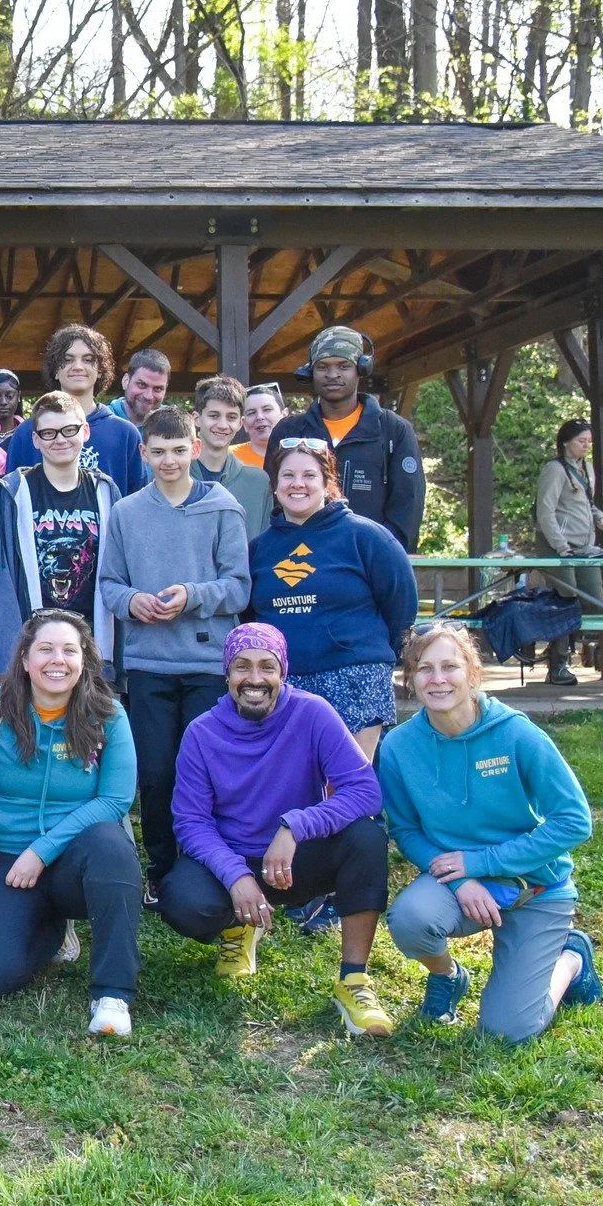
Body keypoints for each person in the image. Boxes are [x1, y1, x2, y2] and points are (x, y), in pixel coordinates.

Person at [159, 624, 395, 1037]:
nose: (255, 679)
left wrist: (296, 825)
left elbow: (364, 791)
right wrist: (235, 876)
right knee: (184, 902)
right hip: (232, 859)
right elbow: (191, 821)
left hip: (296, 860)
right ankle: (239, 926)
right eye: (242, 666)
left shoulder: (313, 713)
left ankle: (354, 980)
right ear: (227, 674)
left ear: (283, 671)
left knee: (367, 837)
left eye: (267, 667)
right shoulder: (201, 732)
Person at [381, 625, 603, 1040]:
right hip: (457, 881)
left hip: (536, 887)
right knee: (411, 920)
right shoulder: (398, 747)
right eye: (424, 669)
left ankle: (572, 960)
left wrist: (482, 862)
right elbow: (406, 829)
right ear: (410, 679)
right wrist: (462, 879)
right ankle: (448, 975)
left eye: (450, 666)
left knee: (506, 1032)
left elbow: (574, 821)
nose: (438, 679)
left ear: (473, 673)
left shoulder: (516, 733)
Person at [0, 611, 142, 1036]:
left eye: (69, 651)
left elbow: (115, 800)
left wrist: (41, 852)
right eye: (45, 649)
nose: (57, 660)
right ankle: (51, 929)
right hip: (7, 857)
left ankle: (112, 994)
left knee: (111, 846)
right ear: (24, 660)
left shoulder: (108, 715)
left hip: (79, 858)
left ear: (84, 661)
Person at [97, 405, 249, 894]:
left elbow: (239, 587)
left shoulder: (223, 507)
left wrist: (192, 595)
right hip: (149, 663)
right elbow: (109, 583)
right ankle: (161, 871)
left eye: (179, 450)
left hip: (207, 662)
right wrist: (132, 601)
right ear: (143, 453)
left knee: (205, 768)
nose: (169, 461)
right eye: (159, 451)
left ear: (196, 449)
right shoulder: (126, 512)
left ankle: (208, 863)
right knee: (157, 771)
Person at [249, 441, 417, 759]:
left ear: (327, 482)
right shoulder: (258, 549)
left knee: (348, 781)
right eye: (288, 475)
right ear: (276, 484)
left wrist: (370, 654)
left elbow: (401, 605)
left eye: (309, 475)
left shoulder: (367, 537)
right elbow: (249, 617)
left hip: (355, 678)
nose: (297, 483)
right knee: (293, 781)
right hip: (284, 684)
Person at [0, 391, 121, 687]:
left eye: (69, 430)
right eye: (48, 433)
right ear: (35, 439)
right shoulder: (12, 494)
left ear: (85, 431)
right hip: (33, 648)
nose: (60, 440)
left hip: (93, 646)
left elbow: (119, 572)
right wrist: (11, 660)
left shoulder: (106, 492)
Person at [268, 326, 426, 551]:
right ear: (310, 371)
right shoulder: (289, 431)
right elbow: (274, 499)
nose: (333, 374)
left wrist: (383, 552)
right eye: (322, 367)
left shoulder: (393, 430)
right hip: (303, 557)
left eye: (343, 366)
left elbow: (408, 505)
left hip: (372, 557)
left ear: (361, 369)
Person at [3, 324, 150, 497]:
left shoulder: (125, 434)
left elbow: (137, 503)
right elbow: (11, 498)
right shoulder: (26, 432)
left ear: (100, 370)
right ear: (55, 371)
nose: (78, 366)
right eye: (68, 359)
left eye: (88, 359)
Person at [533, 417, 603, 685]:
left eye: (589, 441)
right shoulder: (554, 470)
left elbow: (585, 502)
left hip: (583, 546)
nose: (586, 446)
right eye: (581, 441)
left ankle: (584, 645)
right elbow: (545, 511)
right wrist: (560, 546)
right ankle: (559, 662)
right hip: (557, 546)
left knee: (594, 597)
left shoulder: (586, 468)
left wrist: (597, 516)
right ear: (566, 443)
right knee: (566, 598)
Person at [190, 376, 273, 537]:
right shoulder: (173, 476)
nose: (223, 425)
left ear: (241, 423)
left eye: (231, 417)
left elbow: (265, 543)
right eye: (214, 416)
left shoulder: (259, 482)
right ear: (196, 419)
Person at [108, 349, 171, 427]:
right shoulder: (101, 421)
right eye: (141, 385)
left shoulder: (174, 426)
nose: (148, 396)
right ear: (125, 381)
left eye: (158, 389)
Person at [232, 383, 285, 470]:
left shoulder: (301, 455)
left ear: (284, 415)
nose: (259, 417)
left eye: (267, 409)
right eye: (251, 413)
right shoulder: (229, 457)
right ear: (243, 423)